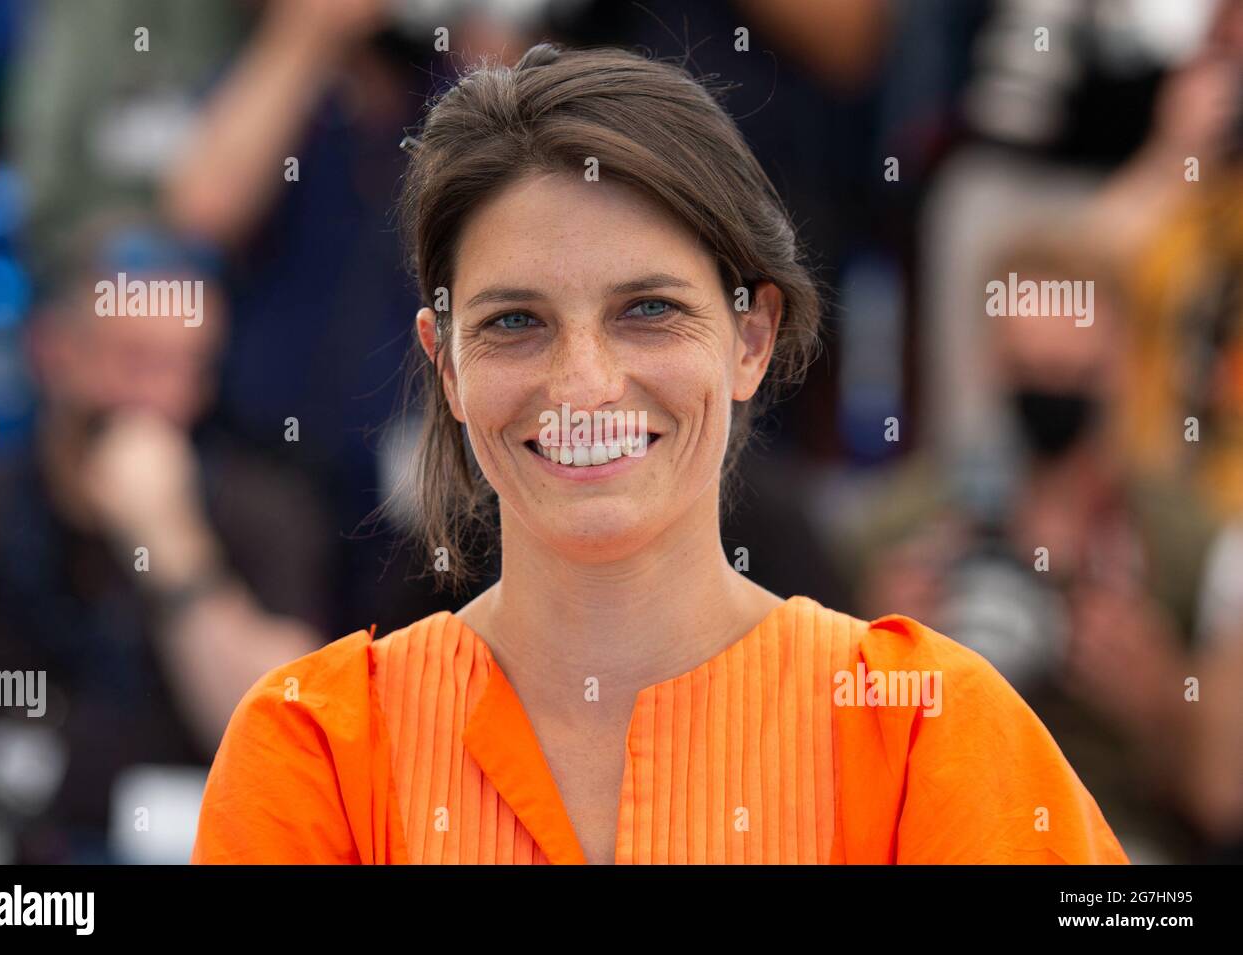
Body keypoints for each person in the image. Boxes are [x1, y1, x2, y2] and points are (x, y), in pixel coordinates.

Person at [190, 44, 1128, 865]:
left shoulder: (928, 729)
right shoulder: (318, 749)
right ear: (447, 367)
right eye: (515, 322)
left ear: (751, 338)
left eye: (649, 310)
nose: (585, 382)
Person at [0, 213, 328, 862]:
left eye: (189, 368)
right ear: (53, 352)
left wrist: (172, 545)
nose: (166, 401)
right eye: (137, 363)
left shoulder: (261, 512)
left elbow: (289, 738)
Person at [851, 227, 1230, 863]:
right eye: (1031, 373)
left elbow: (1221, 803)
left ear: (1123, 366)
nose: (1052, 395)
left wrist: (1166, 702)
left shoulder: (1192, 545)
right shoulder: (903, 529)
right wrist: (873, 651)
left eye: (1075, 374)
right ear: (991, 362)